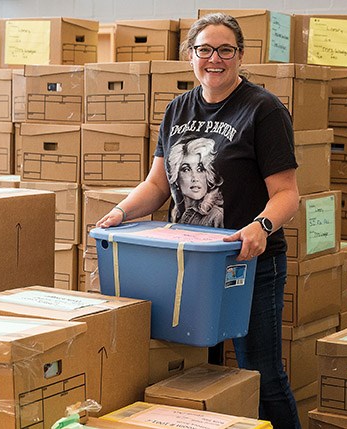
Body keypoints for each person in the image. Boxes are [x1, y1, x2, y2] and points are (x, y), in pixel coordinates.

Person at [96, 12, 300, 428]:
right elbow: (156, 185)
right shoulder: (177, 109)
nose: (215, 59)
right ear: (190, 55)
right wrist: (119, 212)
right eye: (205, 49)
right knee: (194, 374)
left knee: (260, 373)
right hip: (189, 264)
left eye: (226, 50)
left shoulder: (263, 109)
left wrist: (261, 228)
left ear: (240, 56)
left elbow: (287, 194)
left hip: (247, 264)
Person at [168, 136, 223, 227]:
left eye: (200, 169)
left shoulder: (216, 216)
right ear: (176, 178)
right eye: (186, 169)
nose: (195, 177)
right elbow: (156, 185)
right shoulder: (177, 213)